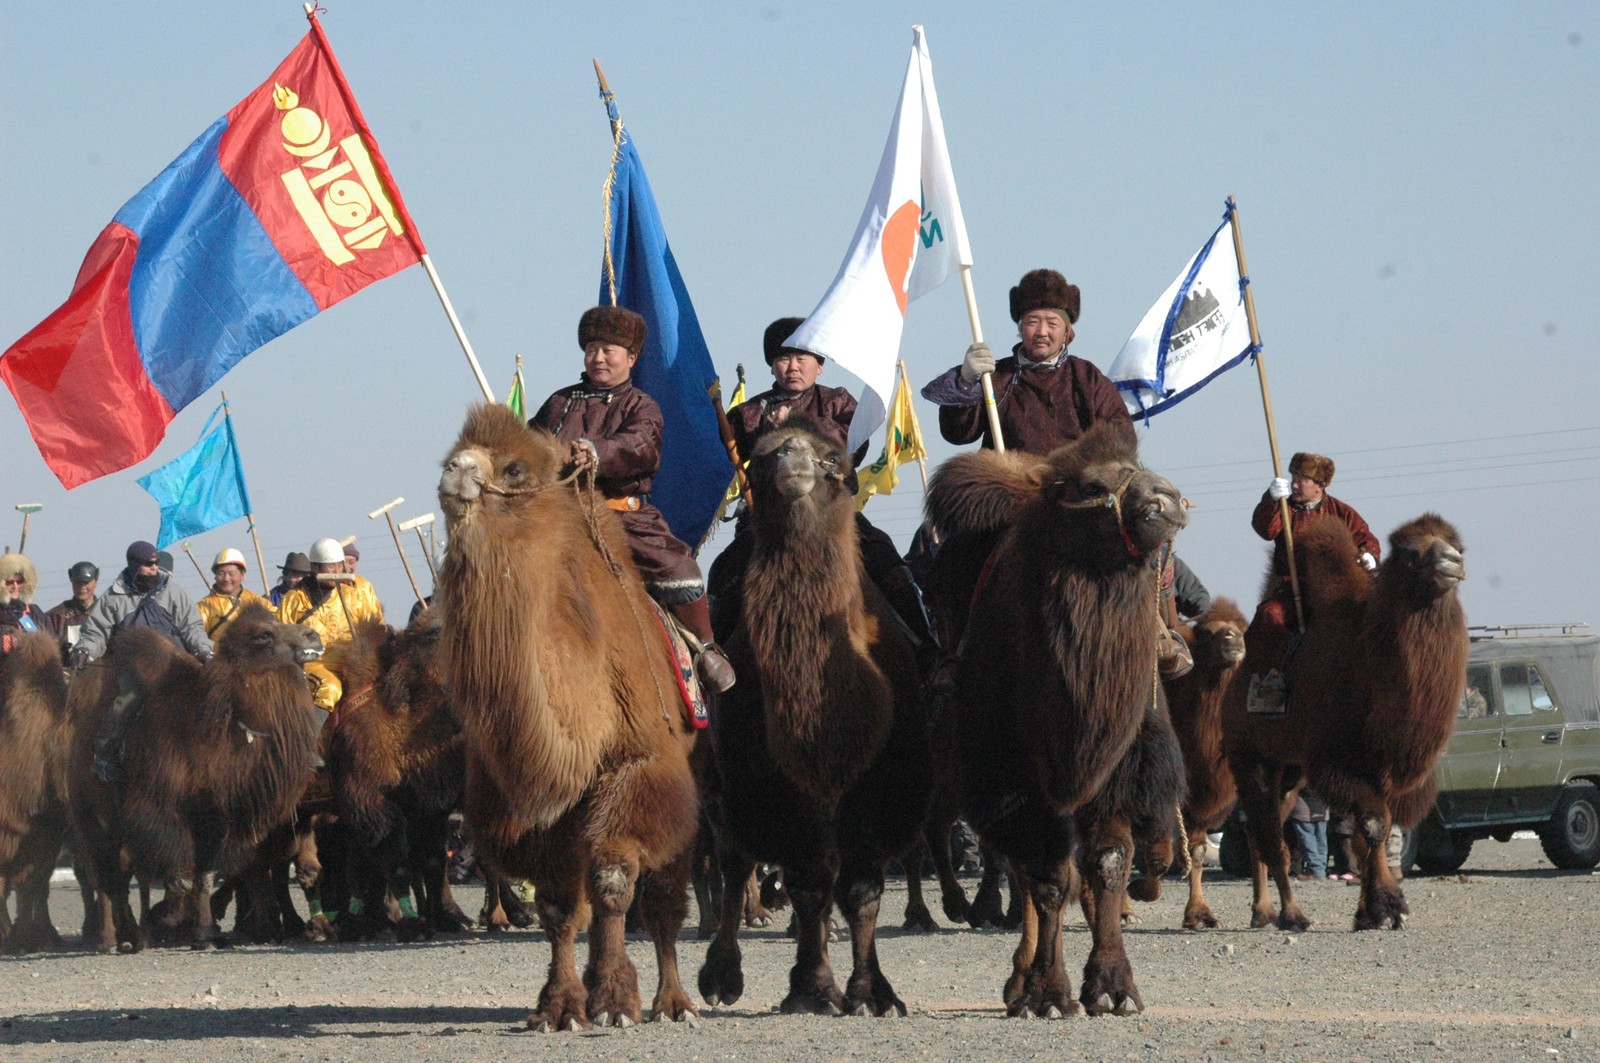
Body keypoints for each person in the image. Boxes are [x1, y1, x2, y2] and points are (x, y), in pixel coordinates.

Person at [529, 305, 734, 693]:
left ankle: (706, 648)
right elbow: (532, 442)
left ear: (631, 357)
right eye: (591, 348)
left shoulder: (642, 405)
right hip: (561, 515)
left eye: (609, 350)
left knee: (682, 573)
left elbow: (640, 446)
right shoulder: (560, 403)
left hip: (624, 518)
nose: (599, 357)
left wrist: (596, 453)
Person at [712, 317, 936, 661]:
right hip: (767, 521)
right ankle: (711, 658)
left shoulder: (839, 403)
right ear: (772, 366)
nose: (793, 367)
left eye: (803, 358)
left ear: (819, 366)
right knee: (724, 573)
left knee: (887, 562)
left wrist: (793, 431)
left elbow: (853, 446)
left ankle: (926, 647)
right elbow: (728, 459)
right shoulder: (747, 414)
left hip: (835, 516)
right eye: (784, 358)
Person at [920, 268, 1132, 453]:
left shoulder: (1086, 377)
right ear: (1021, 329)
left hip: (1074, 491)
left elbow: (1120, 436)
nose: (1041, 331)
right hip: (1010, 490)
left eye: (1052, 323)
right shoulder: (997, 377)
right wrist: (965, 382)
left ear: (1067, 332)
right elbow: (957, 434)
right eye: (1032, 322)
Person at [1244, 451, 1382, 713]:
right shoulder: (1284, 509)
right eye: (1293, 477)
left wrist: (1369, 557)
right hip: (1289, 589)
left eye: (1302, 479)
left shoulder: (1342, 512)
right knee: (1268, 617)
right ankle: (1271, 684)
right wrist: (1270, 500)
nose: (1295, 484)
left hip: (1330, 593)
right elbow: (1265, 530)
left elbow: (1367, 540)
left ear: (1321, 485)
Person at [71, 540, 213, 781]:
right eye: (148, 564)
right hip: (135, 666)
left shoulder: (172, 591)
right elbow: (96, 632)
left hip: (175, 662)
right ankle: (104, 755)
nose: (154, 568)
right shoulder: (114, 597)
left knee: (207, 697)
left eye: (156, 563)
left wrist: (205, 651)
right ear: (133, 565)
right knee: (128, 701)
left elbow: (192, 627)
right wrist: (84, 650)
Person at [277, 537, 386, 713]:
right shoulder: (296, 598)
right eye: (330, 566)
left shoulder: (355, 594)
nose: (336, 571)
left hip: (350, 663)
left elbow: (376, 627)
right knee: (330, 689)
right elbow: (281, 638)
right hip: (313, 665)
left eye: (338, 565)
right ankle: (310, 738)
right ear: (315, 568)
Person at [197, 548, 272, 641]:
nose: (226, 579)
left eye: (231, 573)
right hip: (219, 655)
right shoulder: (204, 607)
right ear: (215, 576)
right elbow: (196, 636)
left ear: (242, 574)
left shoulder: (257, 601)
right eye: (221, 573)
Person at [44, 560, 99, 662]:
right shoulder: (55, 616)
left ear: (96, 581)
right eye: (78, 582)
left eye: (86, 582)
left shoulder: (106, 613)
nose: (82, 587)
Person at [0, 553, 51, 656]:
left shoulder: (33, 612)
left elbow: (50, 637)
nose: (15, 586)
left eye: (19, 581)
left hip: (32, 669)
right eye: (10, 582)